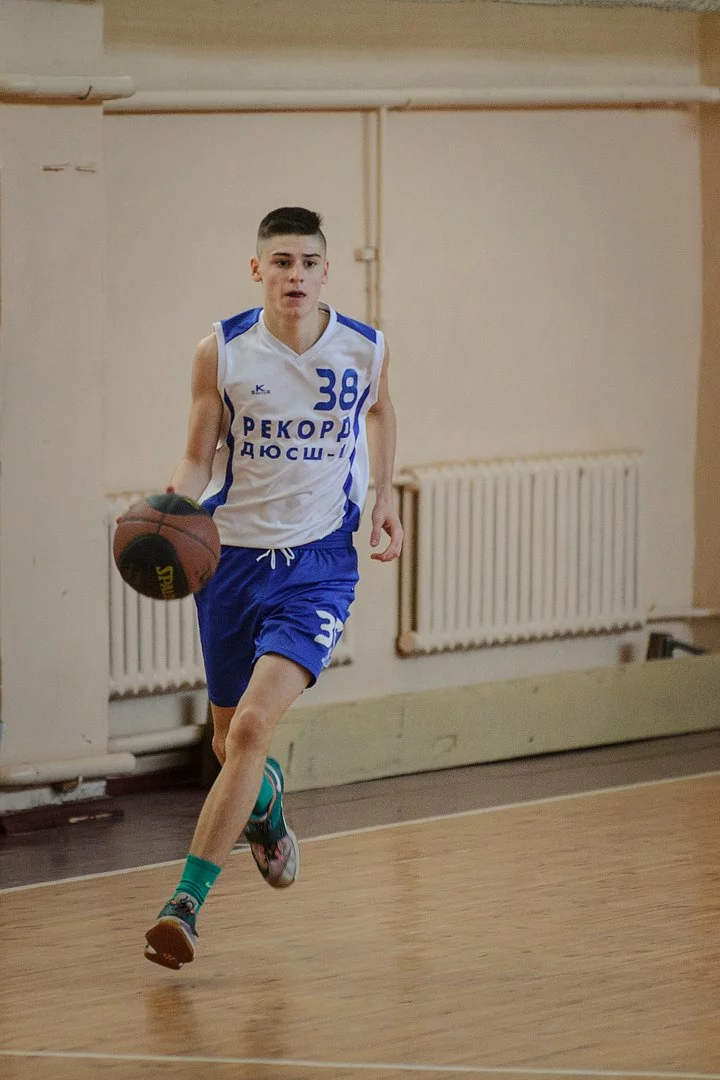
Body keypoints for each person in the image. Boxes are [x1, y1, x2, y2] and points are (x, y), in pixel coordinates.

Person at [144, 206, 403, 969]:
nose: (296, 275)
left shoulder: (365, 347)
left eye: (309, 262)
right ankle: (266, 802)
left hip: (319, 565)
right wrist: (172, 507)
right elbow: (198, 455)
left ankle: (184, 905)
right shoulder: (222, 351)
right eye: (282, 262)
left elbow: (381, 409)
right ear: (258, 270)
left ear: (326, 271)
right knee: (230, 742)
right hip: (230, 563)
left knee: (253, 727)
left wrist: (384, 495)